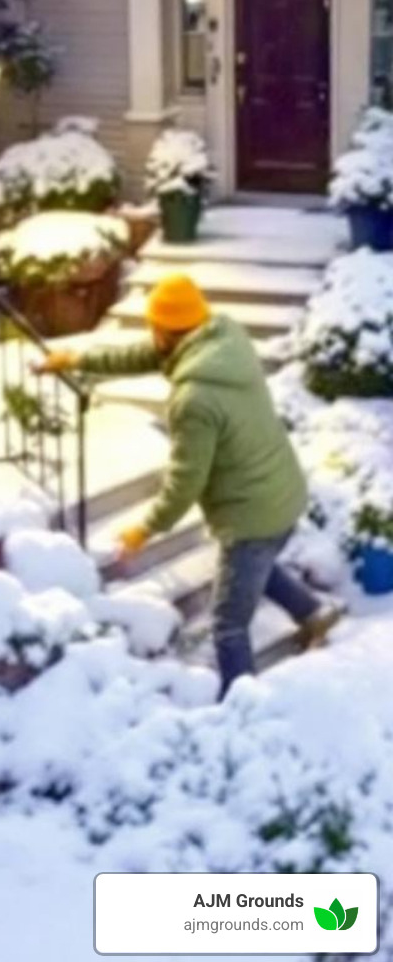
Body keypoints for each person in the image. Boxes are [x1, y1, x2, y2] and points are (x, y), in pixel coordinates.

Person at [35, 274, 342, 698]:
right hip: (282, 492)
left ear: (166, 330)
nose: (149, 336)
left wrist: (145, 528)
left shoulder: (195, 398)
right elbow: (142, 355)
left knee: (229, 624)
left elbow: (185, 481)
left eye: (152, 327)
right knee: (258, 567)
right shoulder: (222, 339)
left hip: (251, 513)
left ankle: (243, 709)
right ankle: (315, 614)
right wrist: (75, 359)